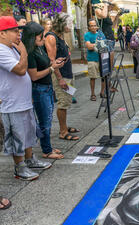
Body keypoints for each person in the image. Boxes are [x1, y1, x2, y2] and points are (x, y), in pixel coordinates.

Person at [0, 16, 52, 181]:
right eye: (14, 31)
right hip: (11, 103)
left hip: (23, 100)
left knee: (28, 133)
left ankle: (30, 160)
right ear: (2, 33)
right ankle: (20, 167)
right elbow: (21, 70)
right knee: (17, 136)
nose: (18, 34)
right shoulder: (2, 50)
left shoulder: (12, 47)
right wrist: (23, 50)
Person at [23, 21, 66, 160]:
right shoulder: (30, 53)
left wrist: (55, 63)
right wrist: (52, 68)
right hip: (39, 89)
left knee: (47, 119)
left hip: (47, 88)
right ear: (32, 37)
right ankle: (46, 150)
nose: (43, 39)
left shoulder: (39, 48)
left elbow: (47, 64)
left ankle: (48, 146)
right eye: (40, 36)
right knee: (45, 122)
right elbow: (34, 76)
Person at [44, 13, 80, 141]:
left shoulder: (60, 36)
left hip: (67, 73)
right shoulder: (51, 37)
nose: (71, 26)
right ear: (61, 24)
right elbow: (51, 61)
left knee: (67, 100)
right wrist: (60, 79)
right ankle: (63, 131)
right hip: (61, 75)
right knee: (62, 102)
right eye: (69, 24)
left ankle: (64, 125)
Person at [84, 19, 104, 101]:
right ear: (89, 27)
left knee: (104, 76)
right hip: (92, 59)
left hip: (101, 59)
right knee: (93, 78)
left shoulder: (100, 34)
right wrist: (99, 44)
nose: (93, 27)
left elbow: (105, 45)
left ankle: (102, 92)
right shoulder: (87, 35)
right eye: (91, 25)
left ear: (97, 26)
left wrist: (95, 45)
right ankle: (92, 94)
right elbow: (89, 47)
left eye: (94, 25)